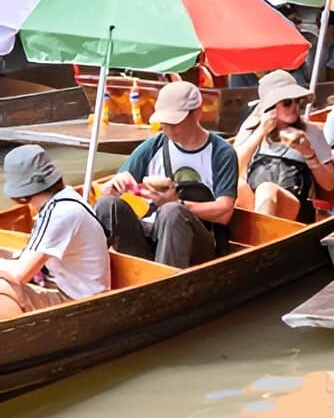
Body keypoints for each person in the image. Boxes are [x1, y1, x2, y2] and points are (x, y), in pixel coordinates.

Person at [95, 82, 238, 268]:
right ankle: (95, 276)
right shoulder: (153, 146)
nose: (169, 130)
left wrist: (176, 203)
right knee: (107, 205)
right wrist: (114, 187)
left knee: (172, 212)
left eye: (175, 123)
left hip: (196, 242)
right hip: (150, 234)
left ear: (197, 112)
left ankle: (166, 281)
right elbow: (111, 190)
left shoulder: (221, 152)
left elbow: (224, 212)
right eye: (164, 124)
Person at [0, 146, 110, 315]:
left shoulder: (59, 213)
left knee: (4, 286)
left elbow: (20, 274)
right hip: (69, 289)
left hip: (81, 302)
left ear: (21, 194)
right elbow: (25, 257)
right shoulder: (63, 198)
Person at [234, 70, 334, 222]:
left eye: (297, 101)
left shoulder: (311, 132)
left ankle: (262, 238)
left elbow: (329, 184)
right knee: (235, 186)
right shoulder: (253, 128)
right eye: (287, 103)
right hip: (256, 204)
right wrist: (261, 132)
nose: (294, 107)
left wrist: (309, 154)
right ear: (270, 107)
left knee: (267, 189)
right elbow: (232, 169)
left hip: (295, 209)